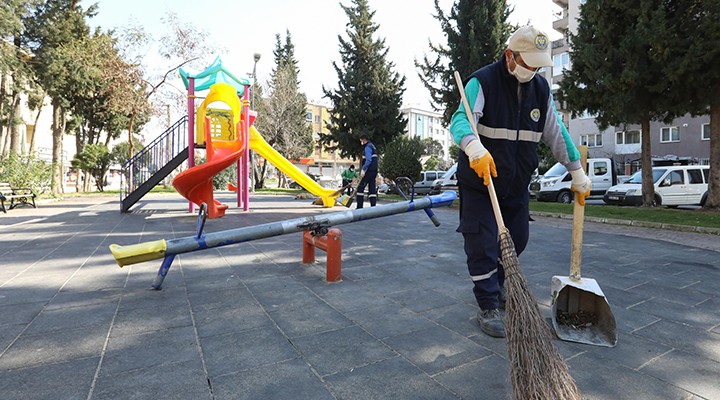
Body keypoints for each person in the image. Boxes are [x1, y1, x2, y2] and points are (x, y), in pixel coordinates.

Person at [449, 25, 591, 338]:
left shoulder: (540, 89)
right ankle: (487, 302)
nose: (533, 69)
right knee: (482, 242)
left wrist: (576, 171)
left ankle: (496, 284)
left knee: (518, 239)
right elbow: (460, 119)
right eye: (528, 63)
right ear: (509, 56)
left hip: (515, 184)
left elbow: (556, 132)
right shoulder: (482, 81)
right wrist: (474, 148)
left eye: (538, 64)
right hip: (480, 181)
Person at [356, 134, 379, 208]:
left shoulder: (367, 147)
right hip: (374, 170)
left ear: (364, 139)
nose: (361, 142)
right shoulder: (373, 146)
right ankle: (373, 207)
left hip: (368, 171)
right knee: (372, 188)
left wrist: (363, 170)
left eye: (361, 140)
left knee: (360, 188)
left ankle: (359, 207)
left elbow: (368, 160)